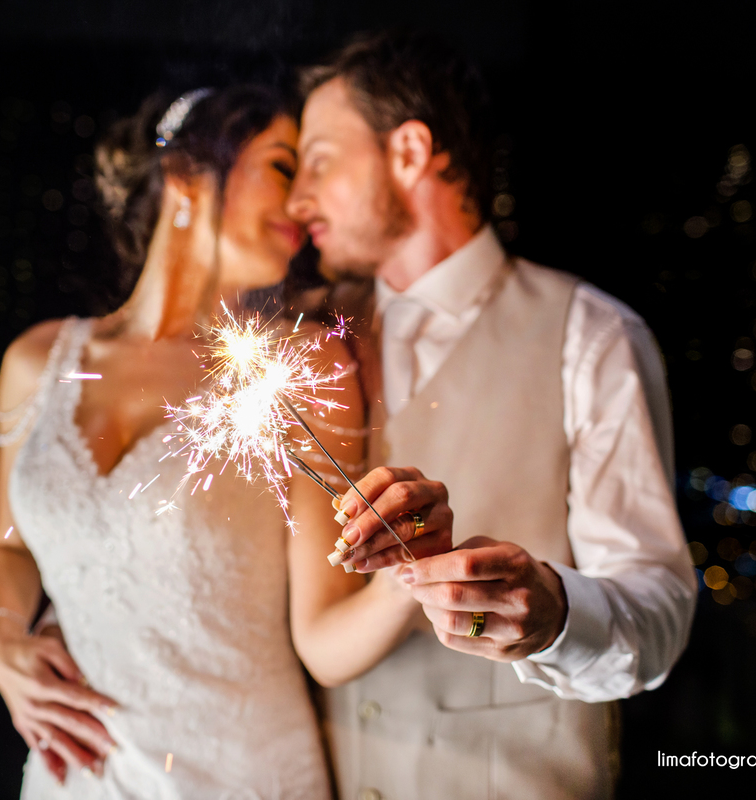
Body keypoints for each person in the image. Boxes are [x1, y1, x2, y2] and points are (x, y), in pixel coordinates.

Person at [284, 32, 698, 798]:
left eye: (319, 160)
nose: (295, 199)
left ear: (409, 152)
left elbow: (660, 610)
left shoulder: (592, 333)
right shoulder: (305, 345)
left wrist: (557, 616)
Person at [0, 85, 366, 798]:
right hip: (72, 778)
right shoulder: (38, 363)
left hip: (236, 776)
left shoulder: (299, 368)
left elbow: (328, 629)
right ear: (186, 172)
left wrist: (429, 578)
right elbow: (10, 545)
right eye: (283, 168)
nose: (305, 202)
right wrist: (0, 642)